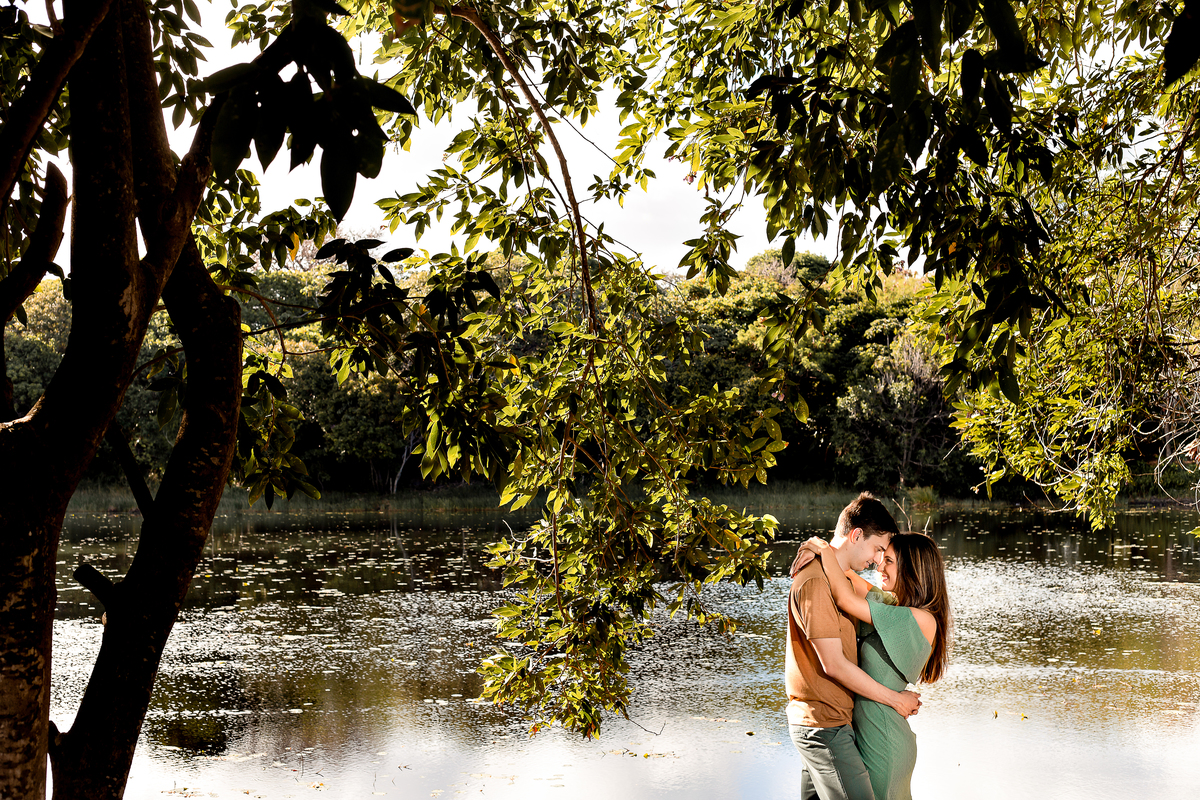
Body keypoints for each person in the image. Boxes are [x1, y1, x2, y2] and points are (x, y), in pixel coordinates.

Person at [793, 531, 952, 800]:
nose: (880, 564)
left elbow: (844, 597)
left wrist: (823, 550)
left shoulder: (919, 619)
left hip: (883, 739)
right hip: (866, 732)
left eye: (888, 560)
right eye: (881, 557)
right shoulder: (891, 605)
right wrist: (813, 549)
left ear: (912, 568)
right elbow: (845, 575)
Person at [786, 492, 921, 800]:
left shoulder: (840, 581)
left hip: (833, 723)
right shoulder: (815, 582)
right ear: (856, 534)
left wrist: (817, 545)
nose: (877, 560)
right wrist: (894, 700)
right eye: (877, 549)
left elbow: (889, 604)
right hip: (824, 725)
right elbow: (832, 663)